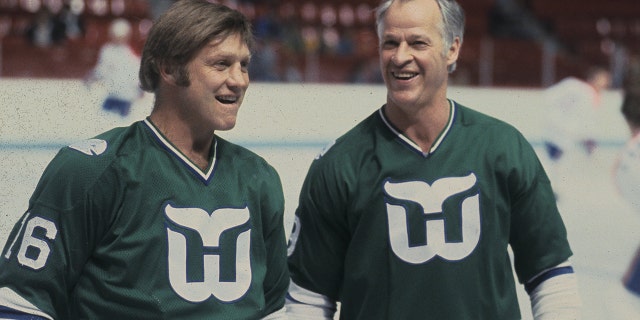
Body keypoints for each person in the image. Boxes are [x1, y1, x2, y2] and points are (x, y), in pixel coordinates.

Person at [285, 0, 580, 319]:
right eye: (390, 43)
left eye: (417, 42)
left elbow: (550, 277)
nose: (400, 57)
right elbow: (308, 299)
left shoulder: (504, 148)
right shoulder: (339, 165)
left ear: (452, 49)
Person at [0, 1, 289, 319]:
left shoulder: (260, 179)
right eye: (221, 64)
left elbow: (273, 307)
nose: (240, 80)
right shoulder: (90, 171)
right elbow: (20, 302)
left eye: (244, 65)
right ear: (168, 68)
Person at [541, 66, 611, 197]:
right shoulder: (577, 87)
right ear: (594, 78)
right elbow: (550, 97)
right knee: (555, 161)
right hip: (559, 131)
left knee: (557, 162)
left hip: (566, 133)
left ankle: (552, 189)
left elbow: (587, 121)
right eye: (604, 79)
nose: (606, 82)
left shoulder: (590, 93)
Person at [85, 18, 142, 117]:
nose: (118, 38)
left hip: (126, 97)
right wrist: (91, 77)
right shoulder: (107, 50)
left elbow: (137, 75)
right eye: (115, 35)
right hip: (112, 95)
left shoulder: (131, 54)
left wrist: (140, 89)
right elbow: (101, 70)